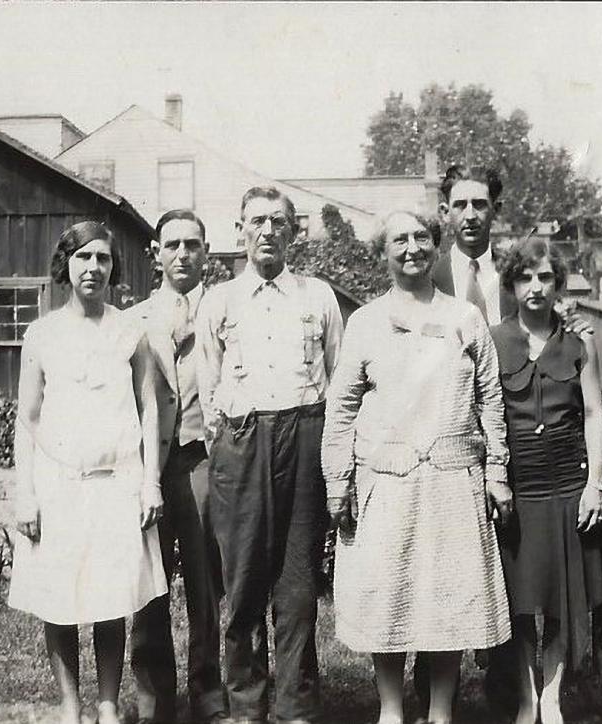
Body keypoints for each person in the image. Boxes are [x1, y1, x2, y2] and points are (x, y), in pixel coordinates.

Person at [323, 210, 514, 724]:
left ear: (436, 246)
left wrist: (497, 473)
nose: (412, 248)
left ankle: (440, 710)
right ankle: (389, 709)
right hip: (386, 481)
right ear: (383, 253)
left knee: (446, 595)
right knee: (387, 591)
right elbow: (340, 407)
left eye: (422, 237)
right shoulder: (364, 322)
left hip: (452, 478)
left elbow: (490, 399)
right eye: (399, 240)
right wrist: (337, 482)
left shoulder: (464, 318)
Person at [8, 220, 168, 724]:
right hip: (58, 486)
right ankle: (70, 708)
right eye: (83, 258)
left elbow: (150, 408)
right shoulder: (42, 334)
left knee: (109, 598)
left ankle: (105, 707)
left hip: (115, 484)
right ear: (66, 266)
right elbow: (27, 418)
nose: (93, 268)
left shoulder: (130, 331)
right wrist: (25, 494)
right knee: (59, 602)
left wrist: (150, 482)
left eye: (102, 258)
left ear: (113, 267)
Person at [195, 185, 344, 724]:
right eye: (256, 221)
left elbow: (338, 375)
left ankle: (296, 706)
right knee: (242, 581)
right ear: (240, 230)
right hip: (241, 440)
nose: (267, 231)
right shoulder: (220, 301)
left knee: (299, 583)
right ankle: (246, 705)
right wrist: (233, 443)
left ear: (293, 231)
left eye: (278, 222)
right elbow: (208, 387)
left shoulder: (318, 296)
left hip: (305, 435)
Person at [490, 238, 602, 724]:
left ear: (559, 284)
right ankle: (526, 699)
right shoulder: (493, 341)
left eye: (545, 278)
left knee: (563, 599)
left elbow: (594, 413)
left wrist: (594, 484)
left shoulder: (580, 343)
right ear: (512, 284)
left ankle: (552, 697)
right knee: (522, 604)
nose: (536, 287)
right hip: (517, 493)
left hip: (568, 486)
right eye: (526, 277)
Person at [127, 210, 229, 724]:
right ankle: (154, 696)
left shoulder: (227, 307)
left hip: (205, 457)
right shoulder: (136, 317)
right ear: (157, 254)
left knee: (207, 578)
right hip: (152, 462)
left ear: (207, 251)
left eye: (193, 244)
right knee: (150, 579)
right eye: (173, 245)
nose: (183, 254)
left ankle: (209, 689)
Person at [431, 165, 515, 325]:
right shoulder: (430, 280)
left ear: (496, 210)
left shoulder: (518, 274)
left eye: (479, 204)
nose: (470, 216)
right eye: (460, 205)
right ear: (445, 213)